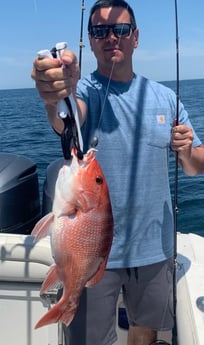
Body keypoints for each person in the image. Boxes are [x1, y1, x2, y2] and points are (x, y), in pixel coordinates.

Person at [31, 0, 204, 344]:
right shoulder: (83, 92)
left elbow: (195, 167)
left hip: (154, 249)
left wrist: (186, 150)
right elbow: (66, 116)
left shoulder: (166, 99)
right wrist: (53, 94)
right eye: (100, 31)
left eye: (121, 29)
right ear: (91, 40)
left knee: (145, 333)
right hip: (92, 253)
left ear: (135, 37)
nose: (111, 37)